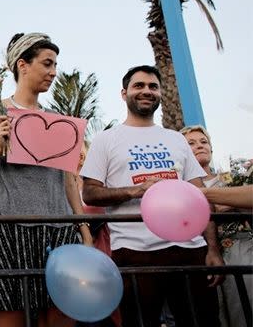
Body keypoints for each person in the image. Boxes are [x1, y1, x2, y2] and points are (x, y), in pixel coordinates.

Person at [0, 32, 93, 327]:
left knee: (62, 313)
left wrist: (83, 228)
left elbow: (68, 180)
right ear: (22, 65)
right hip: (7, 229)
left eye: (56, 65)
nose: (53, 72)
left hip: (58, 230)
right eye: (47, 63)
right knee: (10, 317)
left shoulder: (59, 119)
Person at [80, 65, 223, 327]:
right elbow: (89, 193)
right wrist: (136, 190)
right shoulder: (106, 139)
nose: (147, 91)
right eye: (139, 86)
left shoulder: (176, 139)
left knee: (204, 321)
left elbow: (200, 195)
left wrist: (212, 248)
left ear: (159, 94)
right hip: (135, 253)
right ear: (124, 94)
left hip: (190, 251)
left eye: (153, 86)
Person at [181, 125, 252, 327]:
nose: (199, 146)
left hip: (242, 250)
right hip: (202, 255)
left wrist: (230, 202)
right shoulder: (180, 185)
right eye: (191, 144)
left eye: (204, 142)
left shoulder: (233, 178)